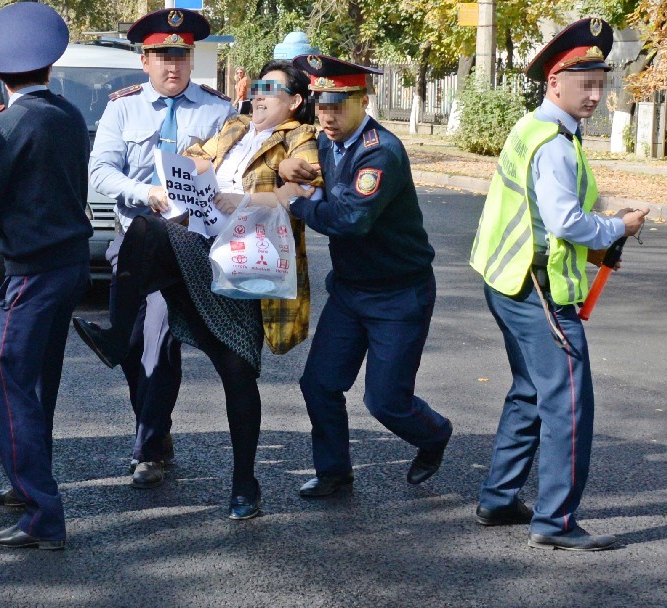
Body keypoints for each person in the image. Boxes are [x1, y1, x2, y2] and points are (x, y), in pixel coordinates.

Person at [74, 60, 320, 520]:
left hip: (246, 270)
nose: (260, 95)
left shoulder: (299, 139)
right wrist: (192, 166)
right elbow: (197, 155)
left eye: (272, 89)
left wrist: (261, 190)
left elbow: (302, 190)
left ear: (295, 101)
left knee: (237, 374)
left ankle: (245, 485)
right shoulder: (235, 124)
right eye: (258, 87)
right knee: (146, 230)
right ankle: (117, 335)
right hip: (200, 247)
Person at [469, 18, 648, 551]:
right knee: (568, 404)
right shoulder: (554, 142)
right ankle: (555, 522)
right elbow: (567, 222)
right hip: (538, 291)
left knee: (530, 391)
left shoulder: (535, 128)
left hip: (508, 280)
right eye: (584, 84)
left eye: (600, 84)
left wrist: (601, 227)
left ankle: (499, 498)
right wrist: (618, 226)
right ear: (555, 83)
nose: (595, 94)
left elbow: (547, 216)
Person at [0, 2, 91, 550]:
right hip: (70, 263)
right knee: (38, 383)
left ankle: (39, 511)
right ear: (49, 66)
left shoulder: (5, 126)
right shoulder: (68, 114)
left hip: (31, 270)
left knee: (9, 377)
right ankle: (26, 484)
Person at [278, 54, 453, 497]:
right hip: (351, 291)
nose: (327, 115)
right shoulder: (326, 143)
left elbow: (353, 219)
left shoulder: (381, 152)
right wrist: (287, 171)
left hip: (399, 294)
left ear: (363, 99)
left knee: (386, 402)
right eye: (321, 104)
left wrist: (295, 201)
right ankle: (335, 471)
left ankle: (433, 435)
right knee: (319, 384)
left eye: (338, 104)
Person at [88, 8, 234, 490]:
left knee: (159, 342)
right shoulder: (122, 108)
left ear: (191, 59)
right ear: (145, 60)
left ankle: (149, 448)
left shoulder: (217, 111)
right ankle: (157, 430)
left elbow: (235, 174)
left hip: (188, 246)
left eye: (181, 55)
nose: (173, 65)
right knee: (131, 346)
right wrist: (144, 191)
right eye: (162, 55)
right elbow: (101, 173)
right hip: (134, 239)